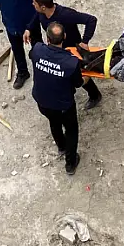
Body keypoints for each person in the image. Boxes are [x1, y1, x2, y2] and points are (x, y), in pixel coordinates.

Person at [28, 0, 103, 110]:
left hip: (72, 50)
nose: (32, 4)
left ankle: (94, 95)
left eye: (34, 3)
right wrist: (28, 28)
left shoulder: (67, 15)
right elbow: (36, 18)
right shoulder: (41, 13)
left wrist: (85, 41)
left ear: (43, 7)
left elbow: (91, 20)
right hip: (56, 49)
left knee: (80, 72)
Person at [30, 23, 85, 175]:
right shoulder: (71, 62)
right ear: (65, 37)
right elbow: (78, 83)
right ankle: (70, 163)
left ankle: (61, 146)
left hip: (42, 100)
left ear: (47, 38)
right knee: (71, 130)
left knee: (54, 123)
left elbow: (33, 58)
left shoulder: (37, 50)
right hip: (63, 105)